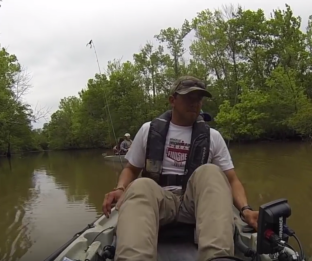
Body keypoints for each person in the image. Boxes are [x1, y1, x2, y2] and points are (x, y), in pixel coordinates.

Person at [102, 75, 259, 261]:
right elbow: (131, 169)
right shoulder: (148, 130)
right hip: (160, 202)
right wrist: (120, 188)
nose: (195, 103)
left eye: (199, 99)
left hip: (193, 204)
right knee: (140, 185)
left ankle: (218, 257)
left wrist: (246, 210)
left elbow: (232, 180)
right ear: (172, 100)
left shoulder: (213, 137)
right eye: (188, 98)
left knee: (212, 172)